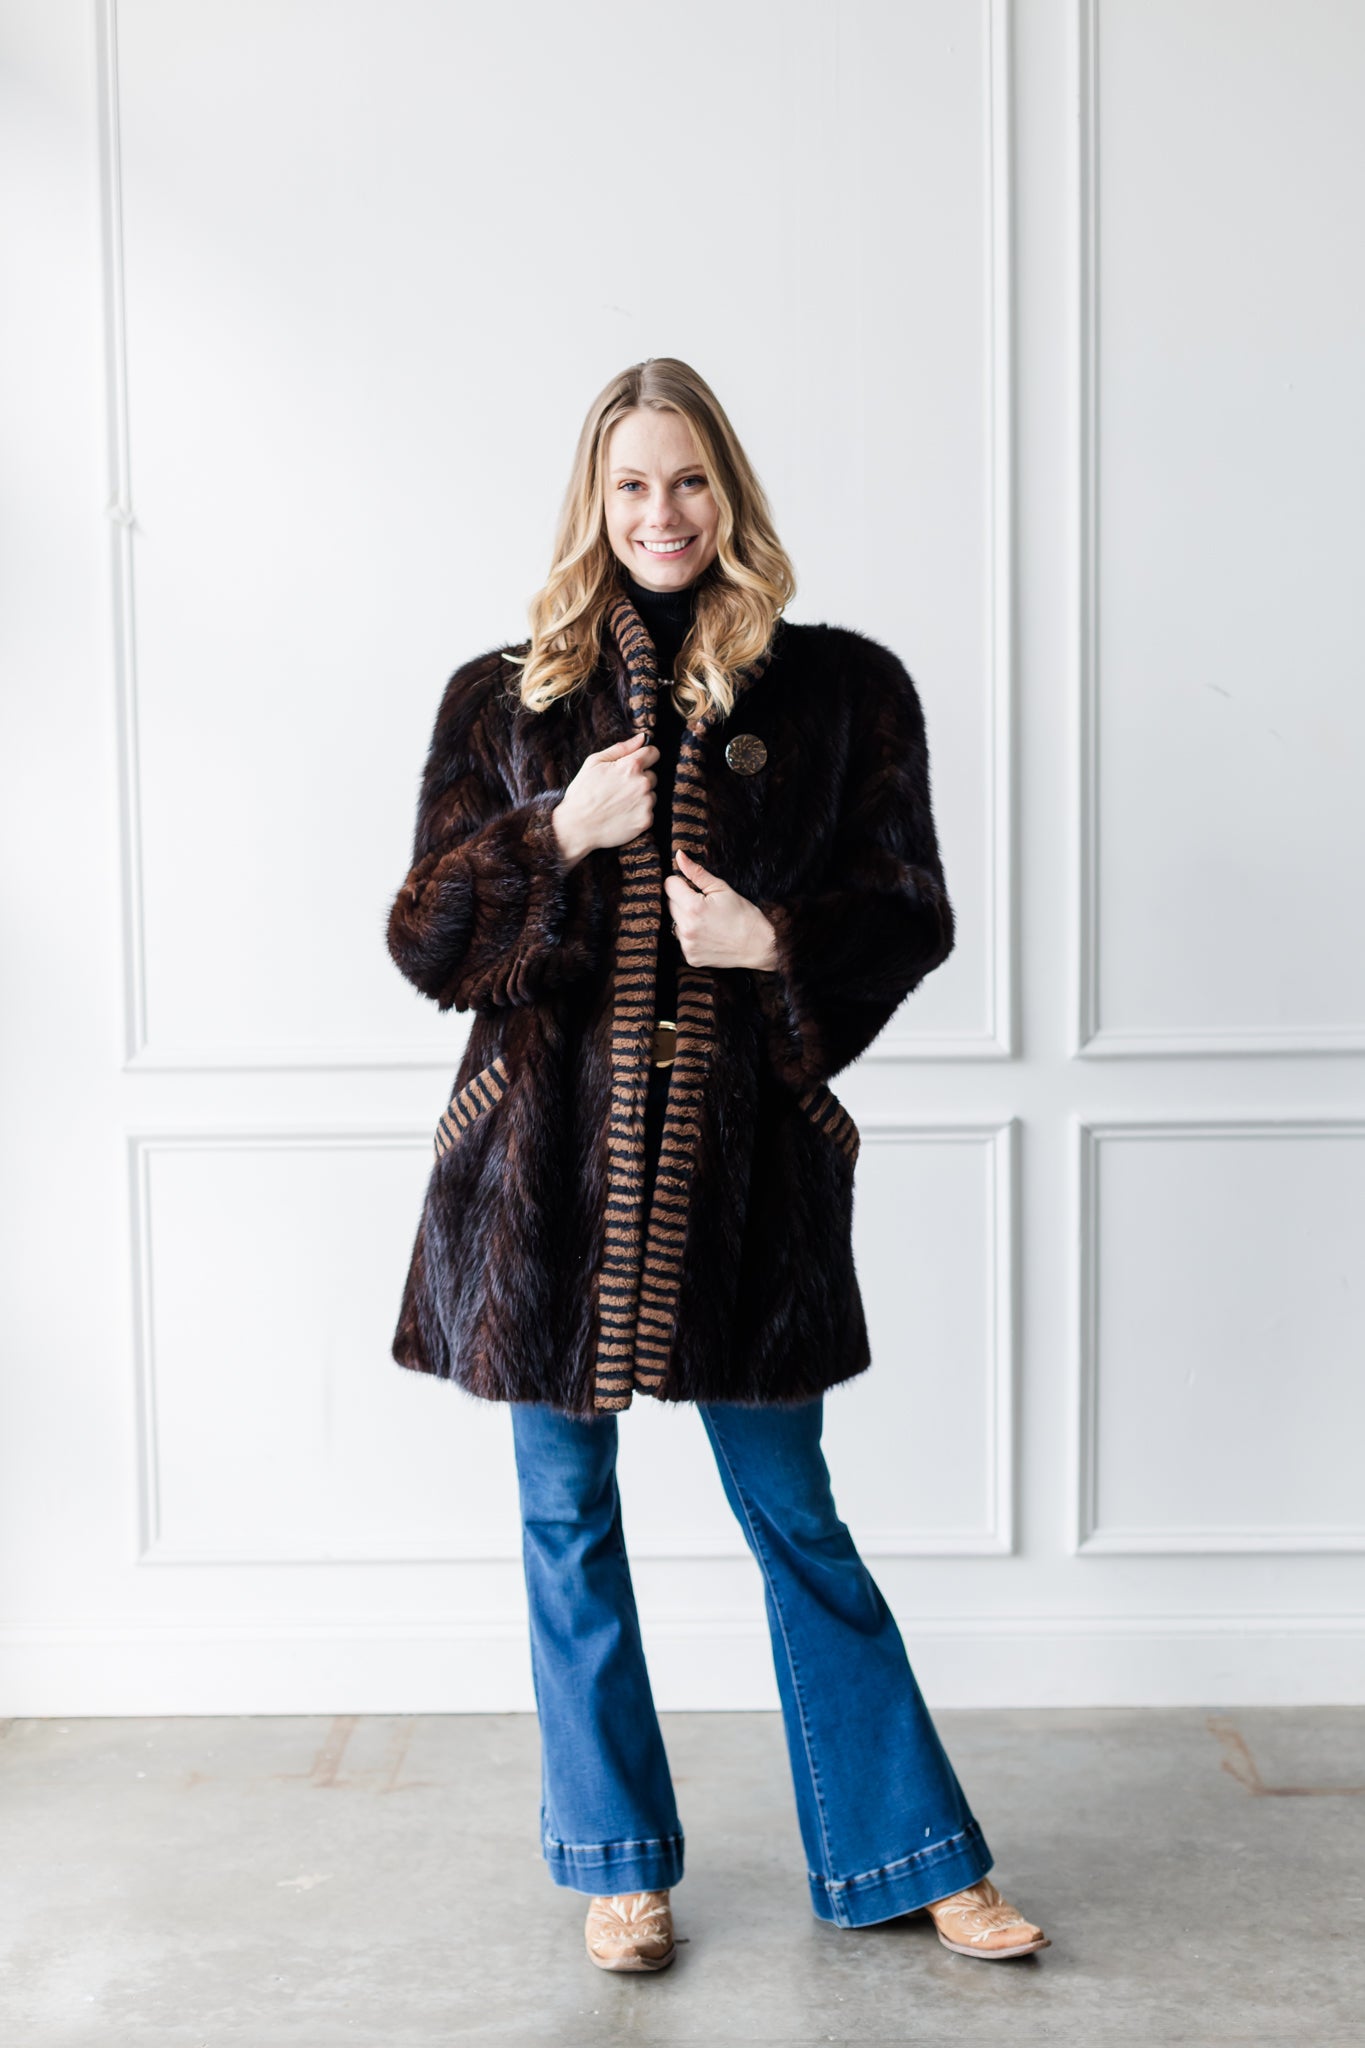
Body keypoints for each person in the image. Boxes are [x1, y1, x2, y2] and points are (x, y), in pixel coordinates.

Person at [386, 357, 1050, 1972]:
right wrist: (556, 835)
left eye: (687, 480)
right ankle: (617, 1865)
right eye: (630, 484)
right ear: (593, 501)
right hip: (540, 1181)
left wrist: (776, 943)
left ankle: (909, 1853)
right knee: (565, 1518)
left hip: (749, 1172)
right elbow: (422, 940)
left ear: (727, 493)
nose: (660, 512)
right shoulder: (499, 698)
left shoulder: (840, 690)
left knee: (793, 1513)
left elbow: (909, 910)